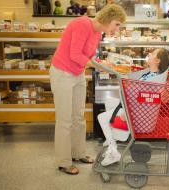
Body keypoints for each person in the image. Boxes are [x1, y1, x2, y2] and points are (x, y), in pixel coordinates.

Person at [50, 4, 126, 175]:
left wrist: (102, 64)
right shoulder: (82, 24)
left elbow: (89, 55)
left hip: (77, 74)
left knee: (78, 117)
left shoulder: (98, 32)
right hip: (62, 73)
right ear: (108, 19)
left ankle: (78, 153)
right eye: (117, 24)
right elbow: (74, 54)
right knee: (64, 120)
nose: (117, 28)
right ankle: (63, 161)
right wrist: (97, 65)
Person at [98, 48, 169, 166]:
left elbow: (139, 96)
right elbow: (140, 96)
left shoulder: (151, 80)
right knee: (109, 102)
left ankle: (113, 151)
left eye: (152, 54)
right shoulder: (151, 75)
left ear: (157, 60)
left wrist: (127, 113)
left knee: (101, 117)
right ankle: (112, 137)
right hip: (137, 111)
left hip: (136, 116)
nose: (149, 54)